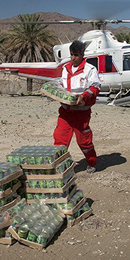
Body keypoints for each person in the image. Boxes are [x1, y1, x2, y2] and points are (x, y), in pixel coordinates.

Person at [53, 40, 101, 173]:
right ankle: (59, 165)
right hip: (65, 112)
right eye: (71, 55)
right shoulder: (65, 69)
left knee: (84, 141)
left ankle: (91, 162)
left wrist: (83, 96)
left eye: (76, 55)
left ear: (82, 54)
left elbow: (95, 87)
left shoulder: (90, 69)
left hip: (81, 113)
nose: (73, 58)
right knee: (60, 138)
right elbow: (61, 85)